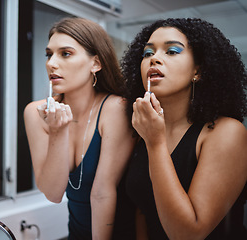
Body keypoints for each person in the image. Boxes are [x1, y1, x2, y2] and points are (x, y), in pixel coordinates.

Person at [121, 18, 247, 239]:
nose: (154, 59)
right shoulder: (143, 129)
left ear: (198, 71)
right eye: (147, 54)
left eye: (171, 51)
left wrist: (155, 142)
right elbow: (142, 210)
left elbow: (187, 234)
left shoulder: (226, 132)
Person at [24, 17, 135, 240]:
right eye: (49, 54)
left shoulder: (115, 108)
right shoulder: (36, 113)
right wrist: (58, 131)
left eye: (65, 53)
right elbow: (53, 193)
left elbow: (102, 193)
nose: (51, 63)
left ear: (96, 63)